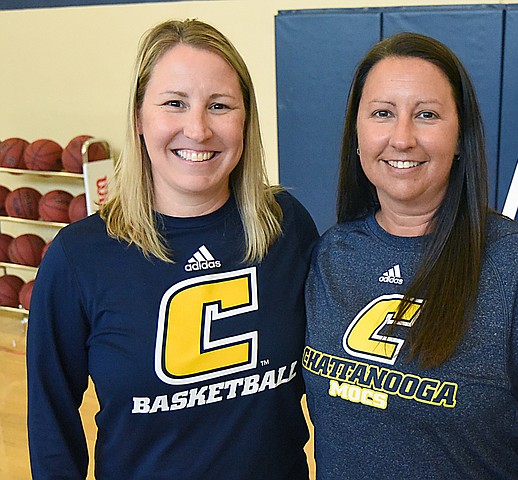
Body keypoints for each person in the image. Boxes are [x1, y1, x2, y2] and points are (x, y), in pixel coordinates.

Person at [27, 19, 317, 479]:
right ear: (140, 118)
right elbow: (51, 422)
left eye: (219, 105)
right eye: (174, 104)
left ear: (246, 120)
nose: (198, 129)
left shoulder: (287, 226)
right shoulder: (79, 257)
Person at [302, 32, 518, 479]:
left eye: (427, 115)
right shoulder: (330, 256)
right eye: (382, 113)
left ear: (460, 137)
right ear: (357, 134)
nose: (402, 138)